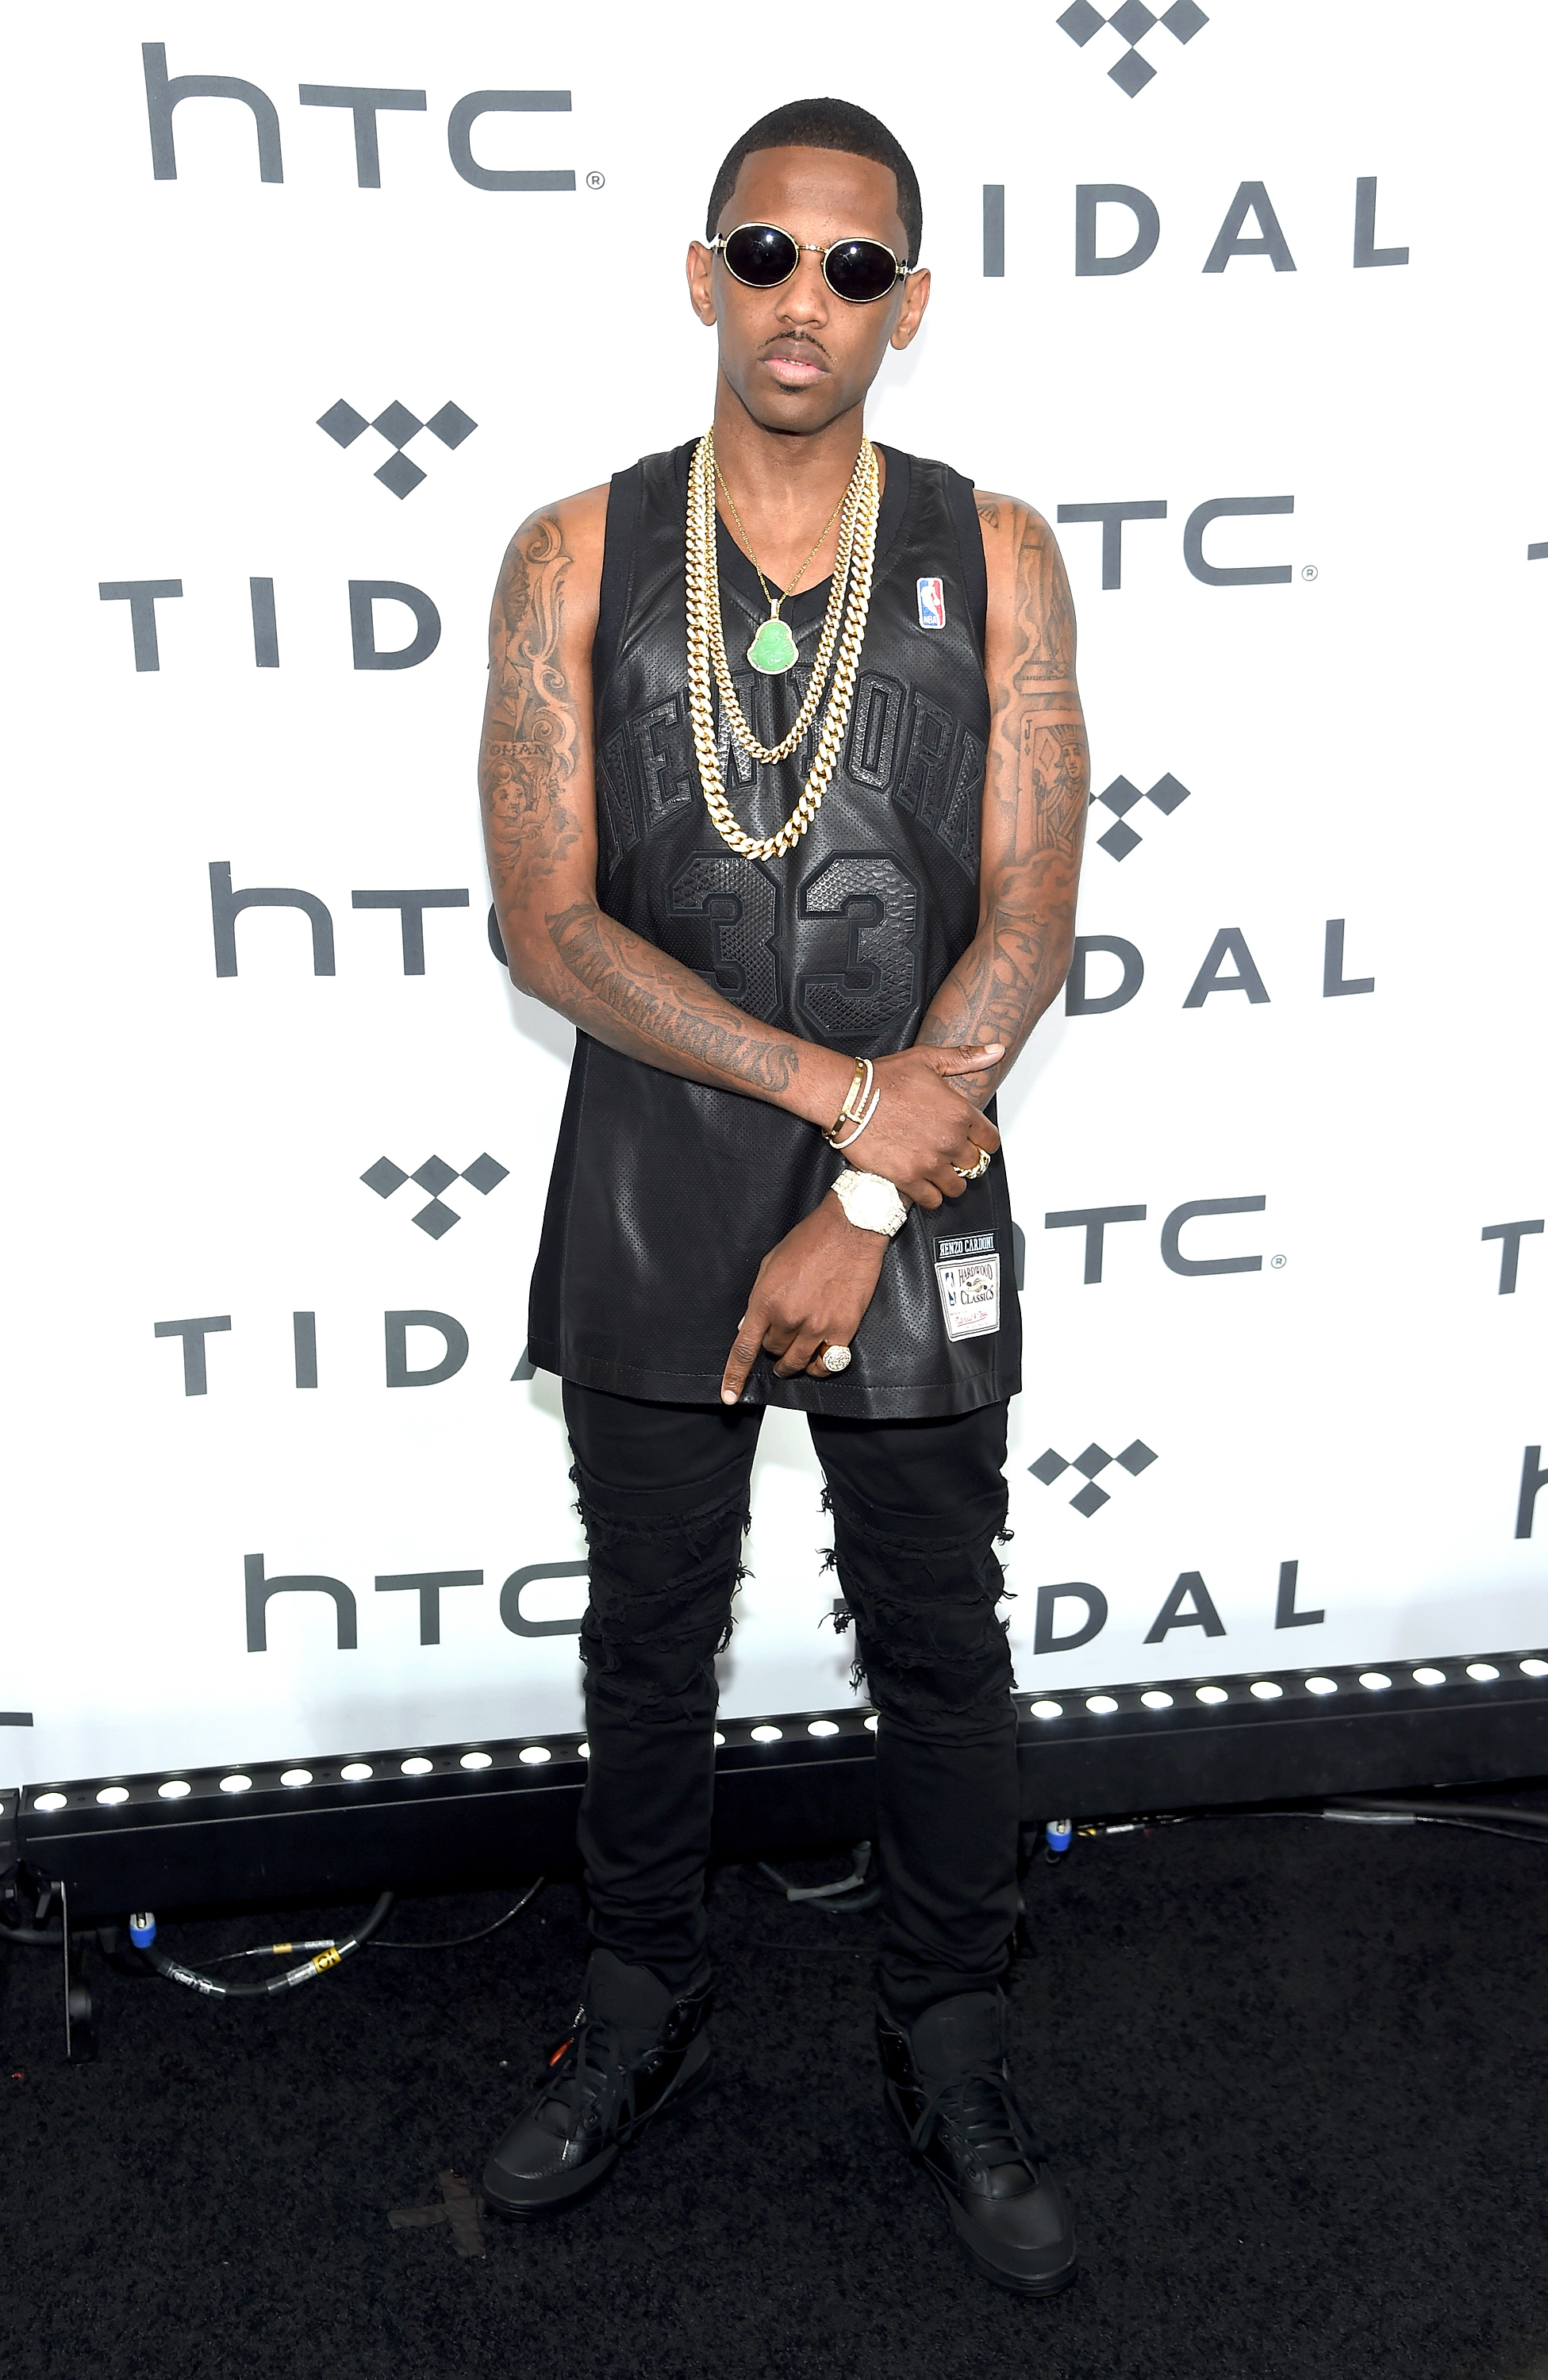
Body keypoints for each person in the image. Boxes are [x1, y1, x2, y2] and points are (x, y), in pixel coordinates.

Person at [476, 96, 1089, 2296]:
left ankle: (953, 2038)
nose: (801, 296)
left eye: (851, 264)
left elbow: (1031, 909)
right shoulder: (569, 553)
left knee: (939, 1637)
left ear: (909, 304)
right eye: (763, 251)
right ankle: (636, 2004)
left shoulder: (997, 552)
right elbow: (545, 923)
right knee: (649, 1643)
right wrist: (835, 1094)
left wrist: (875, 1182)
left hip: (915, 1192)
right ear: (701, 275)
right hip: (658, 1179)